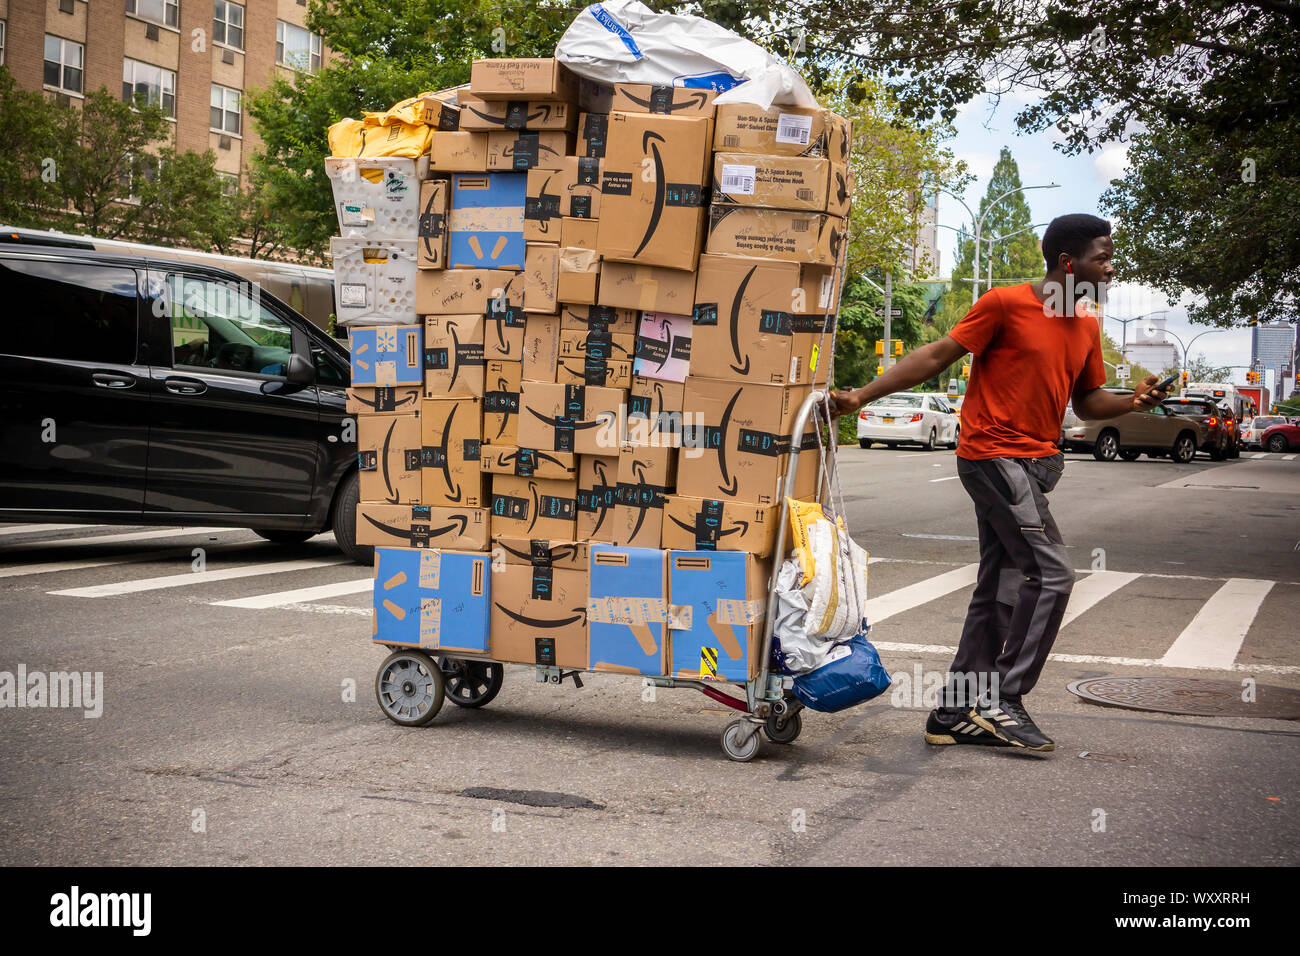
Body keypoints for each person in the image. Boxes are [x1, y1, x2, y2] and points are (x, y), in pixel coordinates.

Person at [830, 214, 1169, 753]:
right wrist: (860, 397)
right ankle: (1000, 700)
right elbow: (938, 355)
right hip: (993, 456)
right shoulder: (1005, 303)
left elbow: (1087, 402)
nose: (1110, 268)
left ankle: (955, 712)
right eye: (1102, 258)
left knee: (1001, 588)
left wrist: (1134, 400)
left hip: (1037, 464)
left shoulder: (1084, 321)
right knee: (1052, 573)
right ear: (1068, 262)